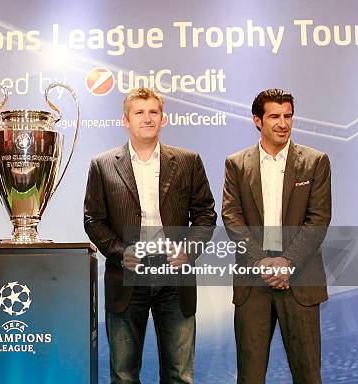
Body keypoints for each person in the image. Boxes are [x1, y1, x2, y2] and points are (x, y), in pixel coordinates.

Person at [84, 87, 217, 383]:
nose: (147, 118)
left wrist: (188, 250)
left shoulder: (187, 161)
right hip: (127, 275)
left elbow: (206, 214)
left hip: (175, 275)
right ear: (125, 120)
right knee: (124, 375)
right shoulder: (102, 164)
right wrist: (121, 253)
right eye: (139, 112)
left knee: (179, 375)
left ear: (163, 118)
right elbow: (93, 220)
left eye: (153, 112)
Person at [222, 89, 331, 383]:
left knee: (308, 375)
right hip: (252, 283)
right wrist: (261, 261)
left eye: (288, 116)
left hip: (300, 280)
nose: (283, 123)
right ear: (258, 120)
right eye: (274, 116)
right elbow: (232, 218)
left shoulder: (315, 161)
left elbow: (318, 220)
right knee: (250, 377)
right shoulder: (236, 163)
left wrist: (287, 263)